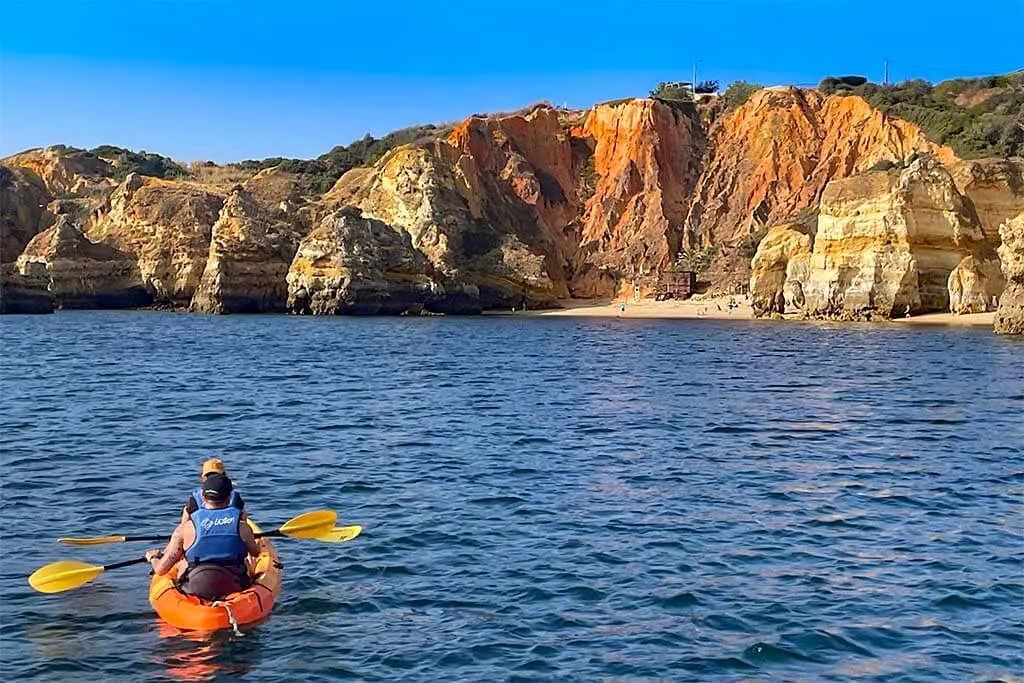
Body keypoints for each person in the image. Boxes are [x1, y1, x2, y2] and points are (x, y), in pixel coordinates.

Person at [148, 472, 260, 601]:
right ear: (229, 497)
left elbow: (161, 570)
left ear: (202, 496)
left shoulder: (185, 529)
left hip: (195, 588)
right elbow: (255, 553)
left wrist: (153, 558)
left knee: (183, 561)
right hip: (234, 587)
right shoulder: (243, 527)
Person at [180, 458, 246, 524]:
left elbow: (184, 522)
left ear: (203, 478)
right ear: (224, 476)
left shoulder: (194, 499)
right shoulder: (235, 497)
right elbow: (243, 519)